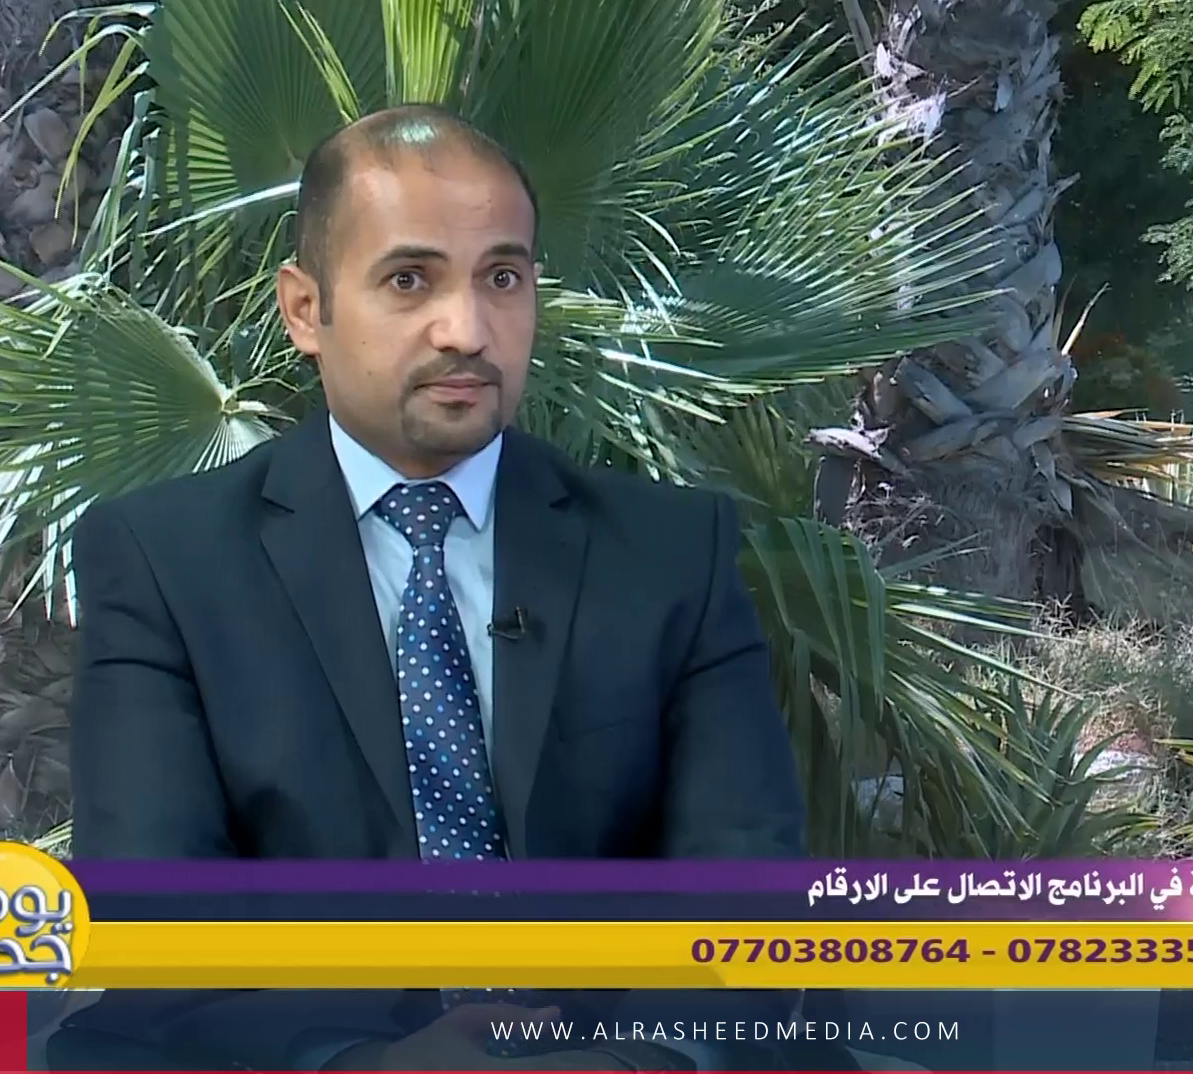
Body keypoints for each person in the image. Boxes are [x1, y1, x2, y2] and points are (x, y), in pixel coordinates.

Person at [59, 105, 807, 1071]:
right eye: (409, 279)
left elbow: (744, 875)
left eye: (503, 278)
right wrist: (359, 1064)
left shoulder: (670, 551)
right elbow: (159, 913)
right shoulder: (164, 560)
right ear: (305, 310)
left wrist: (637, 1058)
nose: (468, 330)